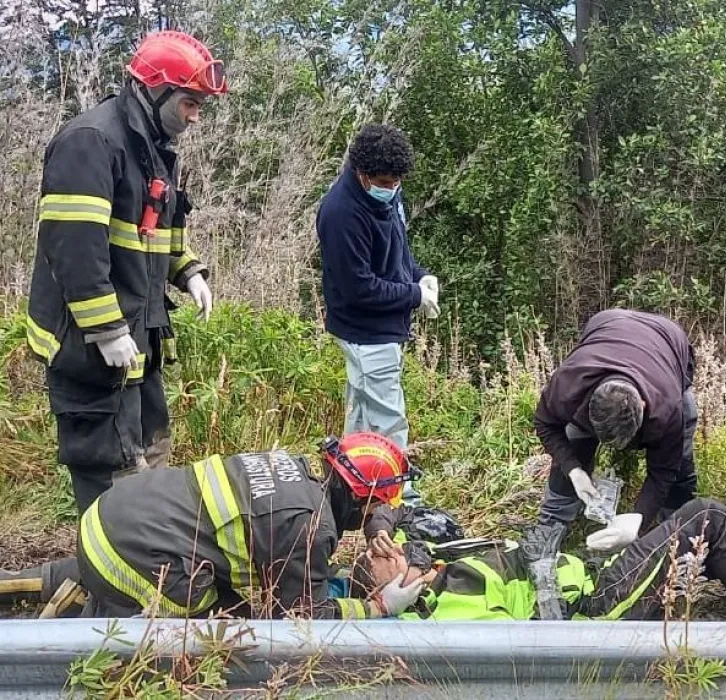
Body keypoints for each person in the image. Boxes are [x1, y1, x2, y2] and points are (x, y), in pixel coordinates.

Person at [26, 30, 220, 514]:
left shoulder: (150, 145)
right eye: (190, 103)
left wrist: (188, 271)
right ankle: (108, 584)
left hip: (139, 338)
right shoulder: (91, 142)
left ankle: (141, 569)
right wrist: (106, 329)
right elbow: (74, 251)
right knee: (108, 475)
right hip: (89, 347)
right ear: (155, 90)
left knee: (147, 462)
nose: (195, 116)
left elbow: (155, 231)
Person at [0, 433, 424, 620]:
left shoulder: (292, 471)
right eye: (378, 507)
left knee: (113, 562)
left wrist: (377, 526)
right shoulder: (309, 529)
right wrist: (378, 607)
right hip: (135, 556)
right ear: (361, 499)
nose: (379, 513)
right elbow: (300, 620)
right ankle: (84, 614)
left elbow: (375, 507)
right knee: (234, 628)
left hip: (111, 517)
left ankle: (36, 581)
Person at [349, 499, 726, 621]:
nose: (396, 552)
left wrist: (378, 529)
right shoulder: (445, 610)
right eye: (388, 561)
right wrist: (543, 576)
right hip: (594, 613)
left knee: (695, 521)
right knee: (705, 517)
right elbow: (534, 650)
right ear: (388, 592)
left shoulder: (423, 556)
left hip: (590, 571)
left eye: (392, 548)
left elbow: (395, 502)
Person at [316, 124, 437, 504]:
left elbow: (398, 246)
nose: (391, 186)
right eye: (384, 181)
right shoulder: (341, 214)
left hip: (385, 323)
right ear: (361, 173)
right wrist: (414, 295)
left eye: (397, 181)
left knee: (363, 414)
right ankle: (401, 501)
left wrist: (419, 275)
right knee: (387, 418)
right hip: (365, 330)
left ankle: (351, 488)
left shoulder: (387, 194)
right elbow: (360, 287)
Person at [535, 309, 697, 533]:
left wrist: (638, 520)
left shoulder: (668, 405)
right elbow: (545, 424)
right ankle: (550, 525)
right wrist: (573, 469)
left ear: (643, 406)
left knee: (680, 461)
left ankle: (676, 528)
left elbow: (663, 472)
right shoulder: (569, 384)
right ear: (588, 403)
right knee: (574, 441)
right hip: (609, 323)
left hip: (668, 341)